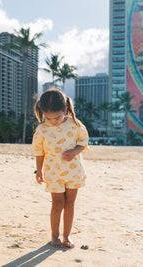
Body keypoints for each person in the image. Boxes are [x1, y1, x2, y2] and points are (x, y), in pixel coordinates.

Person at [32, 88, 89, 249]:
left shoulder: (75, 124)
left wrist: (74, 151)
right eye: (48, 118)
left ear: (65, 110)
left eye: (57, 117)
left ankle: (67, 236)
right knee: (57, 203)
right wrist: (39, 170)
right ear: (43, 113)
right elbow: (39, 152)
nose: (54, 121)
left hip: (73, 172)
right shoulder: (42, 129)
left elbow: (83, 142)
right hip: (53, 172)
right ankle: (55, 236)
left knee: (70, 203)